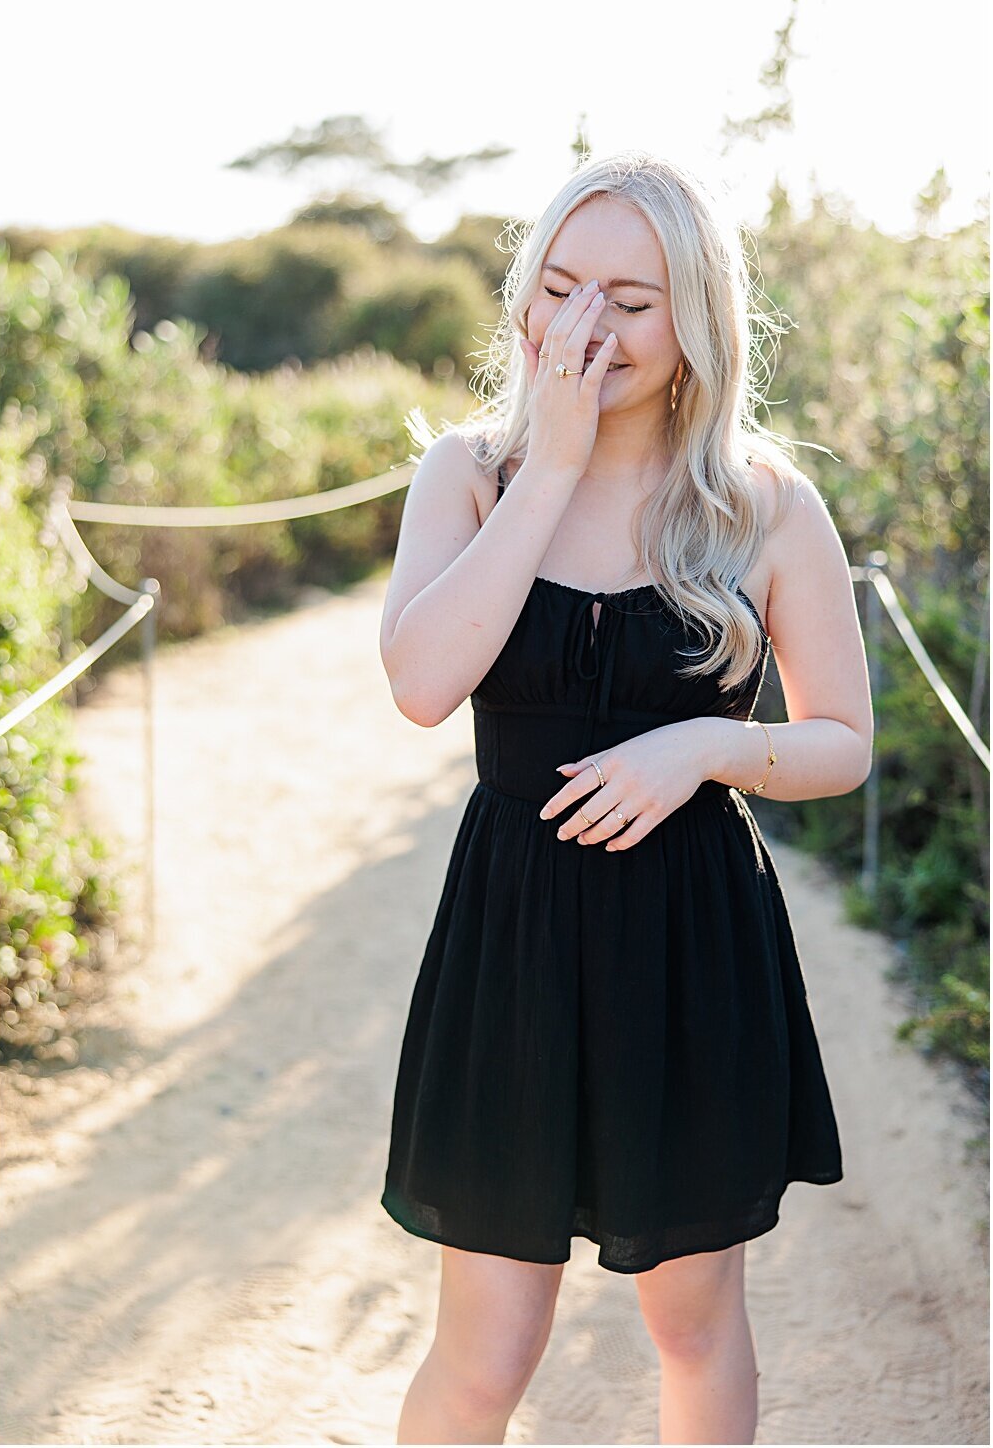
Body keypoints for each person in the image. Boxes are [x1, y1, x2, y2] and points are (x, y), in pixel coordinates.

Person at [377, 150, 872, 1446]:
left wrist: (701, 747)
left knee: (691, 1327)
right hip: (514, 943)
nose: (585, 326)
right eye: (558, 286)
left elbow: (838, 744)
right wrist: (549, 466)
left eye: (632, 301)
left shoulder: (763, 505)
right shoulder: (467, 476)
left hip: (689, 945)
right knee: (486, 1350)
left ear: (697, 320)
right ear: (524, 300)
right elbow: (423, 686)